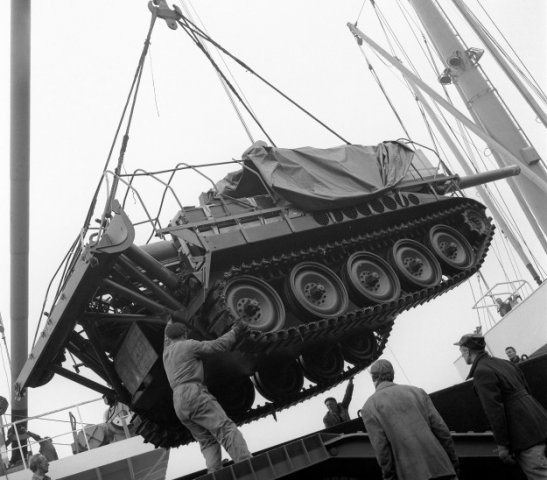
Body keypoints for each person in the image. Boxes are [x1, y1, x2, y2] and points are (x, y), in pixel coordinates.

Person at [162, 319, 252, 473]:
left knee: (206, 441)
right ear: (185, 334)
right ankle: (247, 464)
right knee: (225, 428)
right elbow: (218, 345)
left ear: (169, 337)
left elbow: (167, 336)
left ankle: (214, 472)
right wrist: (235, 331)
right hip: (193, 393)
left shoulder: (166, 352)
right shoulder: (188, 345)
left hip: (178, 403)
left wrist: (168, 321)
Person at [455, 333, 547, 478]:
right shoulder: (506, 363)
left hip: (525, 436)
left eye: (461, 350)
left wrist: (502, 445)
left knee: (540, 474)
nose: (461, 354)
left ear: (466, 350)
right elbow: (527, 390)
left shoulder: (481, 372)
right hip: (541, 421)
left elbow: (494, 411)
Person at [361, 359, 459, 480]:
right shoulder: (418, 392)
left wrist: (389, 476)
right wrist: (453, 462)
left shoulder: (369, 408)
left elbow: (382, 449)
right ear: (392, 374)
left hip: (410, 474)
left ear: (373, 378)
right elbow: (442, 431)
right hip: (442, 468)